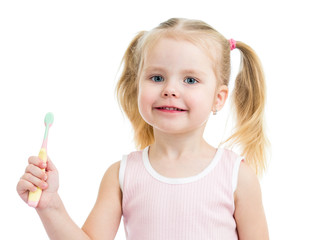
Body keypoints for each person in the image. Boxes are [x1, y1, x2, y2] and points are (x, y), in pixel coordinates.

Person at [17, 18, 269, 239]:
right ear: (138, 85)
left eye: (190, 80)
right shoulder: (121, 175)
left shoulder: (237, 176)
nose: (170, 89)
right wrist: (50, 205)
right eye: (156, 77)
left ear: (219, 98)